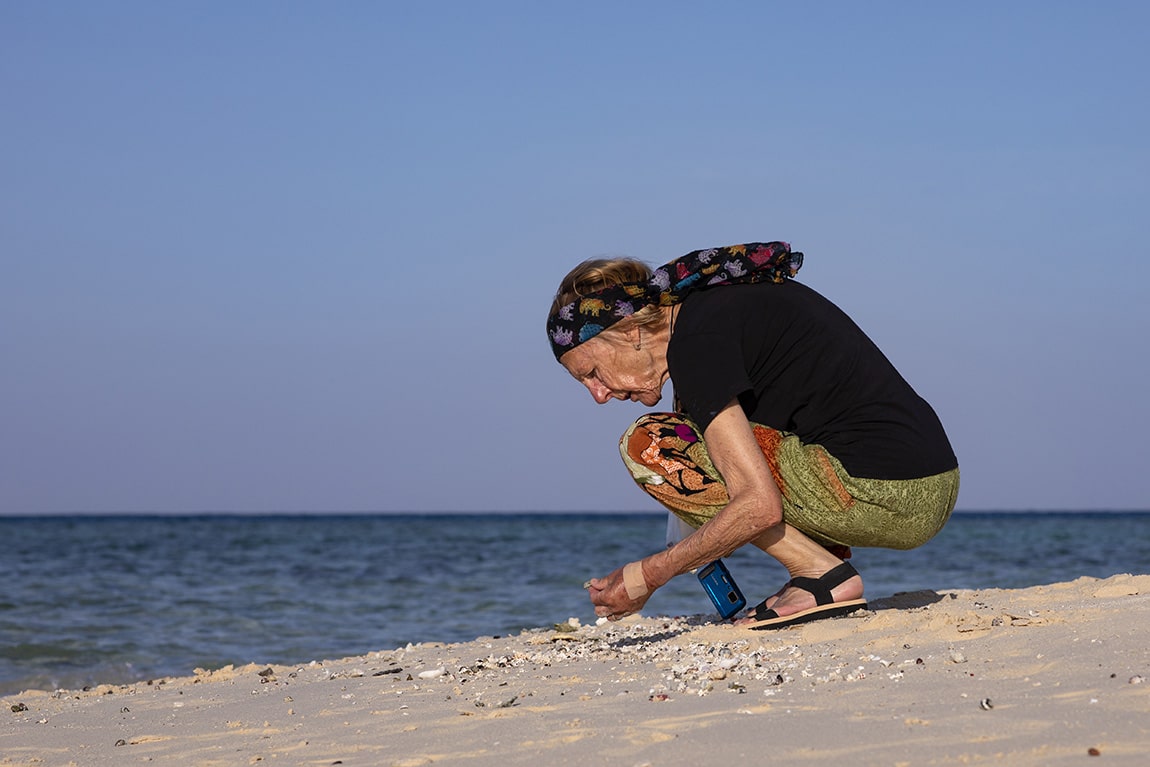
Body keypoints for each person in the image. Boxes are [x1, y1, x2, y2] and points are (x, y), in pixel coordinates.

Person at [546, 241, 959, 630]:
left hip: (883, 490)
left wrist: (647, 576)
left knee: (649, 442)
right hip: (930, 479)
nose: (598, 395)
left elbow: (758, 507)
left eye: (592, 373)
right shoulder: (712, 316)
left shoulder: (698, 344)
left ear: (628, 329)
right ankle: (820, 567)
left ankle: (821, 575)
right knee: (700, 435)